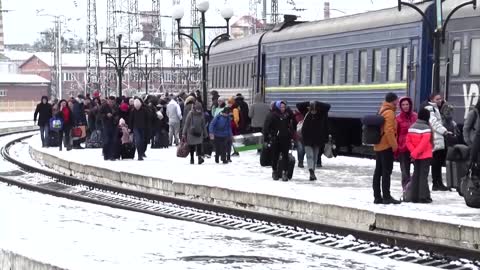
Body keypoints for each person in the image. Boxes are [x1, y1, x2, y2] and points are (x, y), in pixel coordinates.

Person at [373, 92, 400, 204]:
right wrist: (394, 146)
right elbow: (389, 131)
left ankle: (377, 197)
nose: (398, 102)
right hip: (386, 146)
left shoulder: (382, 109)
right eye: (397, 100)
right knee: (386, 172)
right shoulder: (389, 113)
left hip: (379, 145)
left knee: (378, 172)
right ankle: (387, 197)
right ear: (393, 101)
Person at [405, 108, 433, 203]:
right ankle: (423, 197)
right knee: (423, 176)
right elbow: (424, 143)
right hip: (425, 155)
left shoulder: (412, 127)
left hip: (416, 156)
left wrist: (413, 152)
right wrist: (417, 152)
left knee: (416, 175)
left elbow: (408, 142)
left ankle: (414, 196)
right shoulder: (427, 128)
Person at [298, 101, 331, 181]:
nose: (312, 108)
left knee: (315, 157)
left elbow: (328, 106)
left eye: (314, 106)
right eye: (311, 106)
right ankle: (311, 172)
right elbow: (298, 105)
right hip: (307, 139)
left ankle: (312, 172)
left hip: (317, 139)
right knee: (310, 156)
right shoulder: (306, 112)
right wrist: (309, 102)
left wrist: (317, 102)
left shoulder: (321, 113)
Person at [425, 93, 451, 191]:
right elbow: (434, 123)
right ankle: (436, 183)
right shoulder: (430, 109)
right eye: (437, 99)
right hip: (436, 138)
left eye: (440, 99)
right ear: (432, 100)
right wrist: (445, 131)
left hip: (439, 138)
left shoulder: (437, 108)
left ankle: (439, 182)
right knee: (436, 162)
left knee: (439, 162)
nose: (440, 101)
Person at [263, 101, 294, 181]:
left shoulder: (287, 115)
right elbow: (266, 128)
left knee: (285, 156)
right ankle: (274, 171)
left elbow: (294, 122)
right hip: (275, 139)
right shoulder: (272, 115)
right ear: (277, 107)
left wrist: (290, 134)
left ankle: (284, 173)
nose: (283, 109)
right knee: (275, 156)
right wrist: (267, 138)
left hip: (285, 139)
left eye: (284, 107)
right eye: (281, 107)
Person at [396, 96, 417, 190]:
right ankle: (406, 189)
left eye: (407, 104)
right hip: (403, 148)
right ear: (400, 106)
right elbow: (396, 134)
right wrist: (396, 149)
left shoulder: (415, 116)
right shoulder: (398, 118)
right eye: (403, 104)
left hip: (415, 147)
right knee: (405, 171)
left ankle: (415, 187)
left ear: (410, 105)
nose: (405, 106)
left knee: (417, 169)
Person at [464, 99, 480, 166]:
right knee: (474, 163)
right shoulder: (473, 113)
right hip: (475, 143)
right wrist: (469, 143)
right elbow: (466, 129)